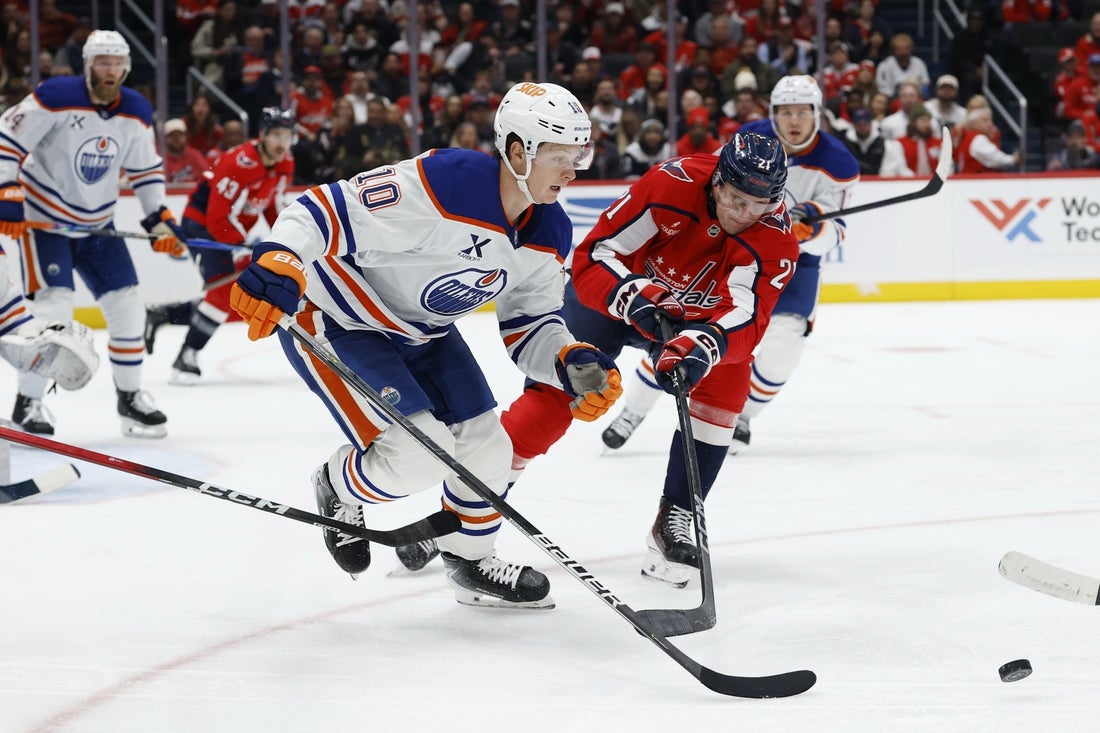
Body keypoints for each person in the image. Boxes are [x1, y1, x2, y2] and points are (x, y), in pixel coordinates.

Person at [227, 82, 621, 609]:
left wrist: (566, 359)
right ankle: (337, 485)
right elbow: (323, 209)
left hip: (425, 332)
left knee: (490, 450)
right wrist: (282, 255)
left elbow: (530, 323)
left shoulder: (550, 229)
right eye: (559, 157)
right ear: (518, 151)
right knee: (417, 459)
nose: (572, 171)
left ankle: (469, 561)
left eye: (578, 156)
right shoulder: (447, 183)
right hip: (340, 318)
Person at [472, 131, 796, 588]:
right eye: (735, 199)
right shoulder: (671, 184)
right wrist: (630, 295)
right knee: (558, 395)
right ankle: (470, 504)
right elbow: (593, 256)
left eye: (757, 206)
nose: (743, 215)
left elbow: (749, 319)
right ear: (717, 182)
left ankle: (675, 518)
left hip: (690, 325)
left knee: (727, 383)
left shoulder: (776, 237)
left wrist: (702, 345)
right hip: (614, 302)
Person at [602, 75, 859, 456]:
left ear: (817, 114)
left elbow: (836, 231)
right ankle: (633, 411)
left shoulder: (839, 162)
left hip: (794, 265)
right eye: (786, 111)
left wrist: (811, 228)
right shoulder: (749, 140)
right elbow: (714, 184)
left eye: (803, 112)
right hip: (733, 253)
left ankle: (741, 415)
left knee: (783, 349)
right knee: (684, 334)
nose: (794, 120)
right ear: (772, 113)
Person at [0, 30, 185, 437]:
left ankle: (130, 399)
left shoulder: (136, 110)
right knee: (54, 311)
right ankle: (28, 404)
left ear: (126, 68)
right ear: (87, 65)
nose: (109, 70)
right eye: (102, 62)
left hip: (98, 225)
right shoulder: (55, 96)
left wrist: (158, 216)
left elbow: (145, 169)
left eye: (116, 63)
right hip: (45, 222)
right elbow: (8, 136)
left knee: (129, 307)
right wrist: (7, 189)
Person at [144, 107, 295, 384]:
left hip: (229, 230)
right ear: (262, 135)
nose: (281, 143)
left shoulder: (285, 162)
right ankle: (186, 356)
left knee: (230, 293)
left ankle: (163, 314)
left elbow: (273, 204)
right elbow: (217, 217)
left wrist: (288, 237)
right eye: (275, 135)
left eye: (287, 136)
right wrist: (242, 245)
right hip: (202, 226)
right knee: (225, 294)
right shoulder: (239, 163)